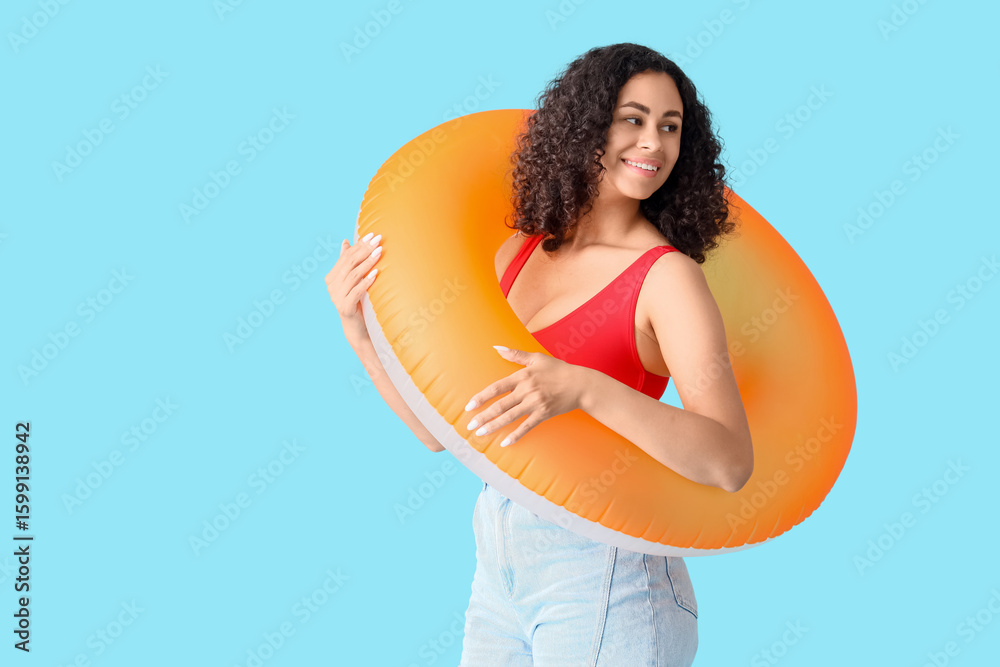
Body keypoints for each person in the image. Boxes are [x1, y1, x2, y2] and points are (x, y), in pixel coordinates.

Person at [326, 42, 752, 666]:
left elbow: (729, 460)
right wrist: (357, 330)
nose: (654, 145)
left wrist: (586, 388)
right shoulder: (522, 253)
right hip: (501, 563)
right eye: (632, 120)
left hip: (612, 571)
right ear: (587, 126)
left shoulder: (667, 279)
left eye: (670, 127)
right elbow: (444, 432)